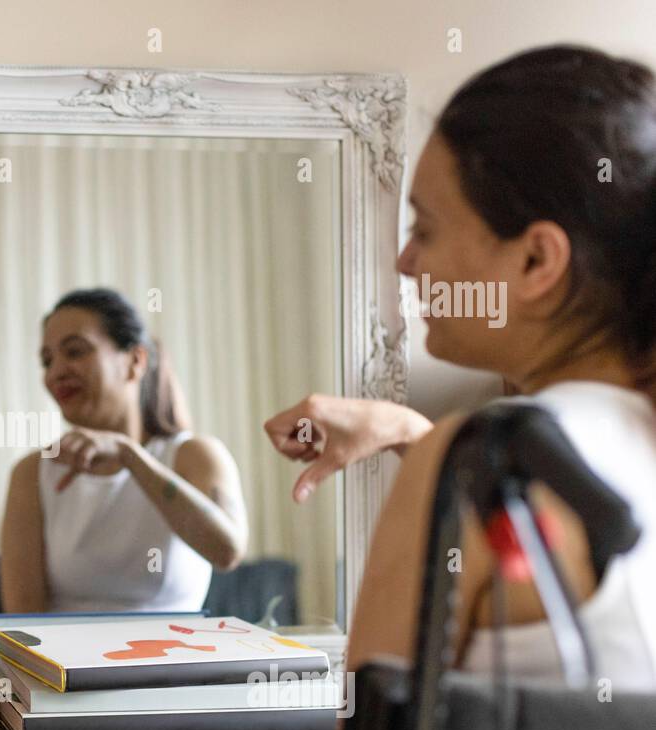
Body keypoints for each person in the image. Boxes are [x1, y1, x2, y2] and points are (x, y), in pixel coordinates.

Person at [265, 45, 656, 691]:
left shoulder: (469, 458)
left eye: (425, 227)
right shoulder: (617, 442)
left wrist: (437, 455)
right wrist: (407, 432)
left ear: (536, 261)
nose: (406, 261)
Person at [0, 288, 249, 613]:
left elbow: (227, 550)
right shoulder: (32, 472)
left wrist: (130, 456)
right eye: (47, 360)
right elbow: (23, 617)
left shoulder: (195, 456)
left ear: (135, 361)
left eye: (75, 352)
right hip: (66, 662)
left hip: (177, 659)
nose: (56, 371)